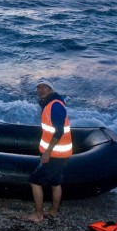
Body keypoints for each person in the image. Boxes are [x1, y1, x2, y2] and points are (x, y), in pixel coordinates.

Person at [25, 78, 72, 223]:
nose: (41, 90)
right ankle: (53, 212)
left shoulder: (55, 106)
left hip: (55, 154)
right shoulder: (51, 104)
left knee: (34, 181)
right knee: (56, 182)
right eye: (39, 88)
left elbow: (58, 132)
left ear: (51, 89)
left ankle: (38, 216)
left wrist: (47, 152)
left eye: (44, 87)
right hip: (60, 153)